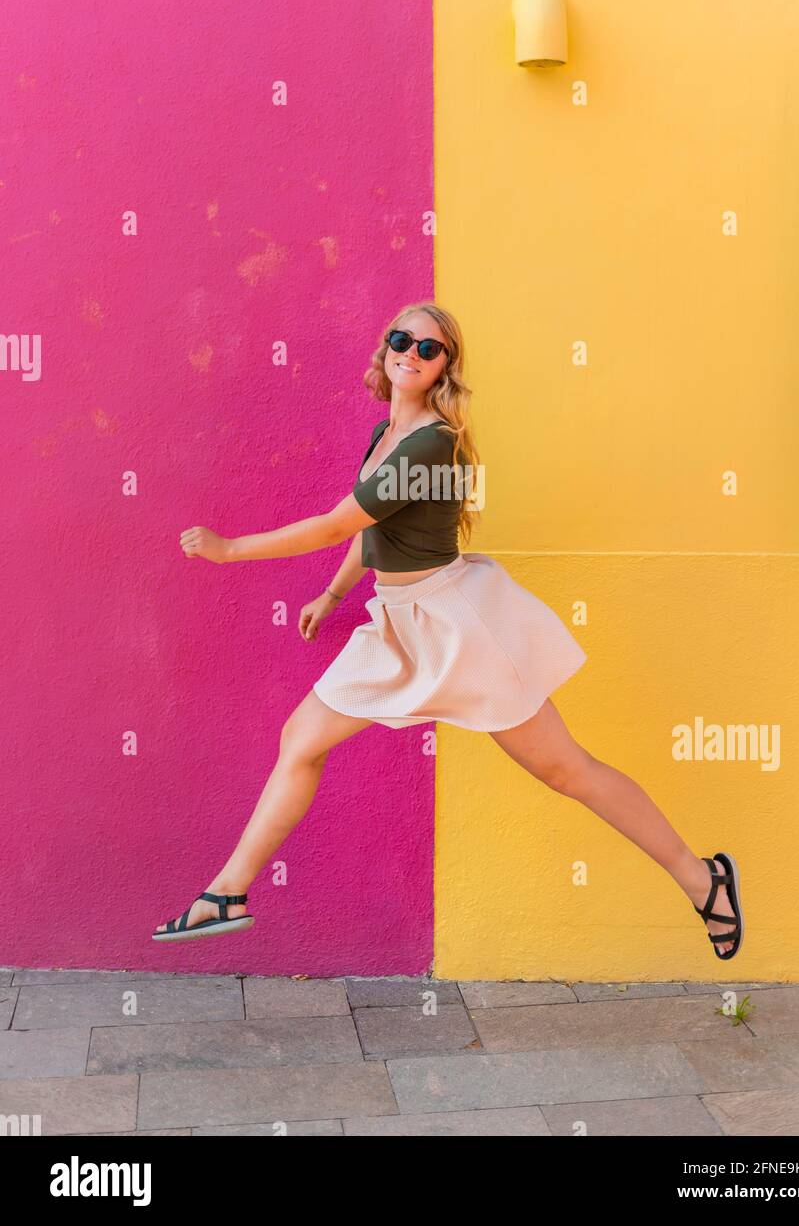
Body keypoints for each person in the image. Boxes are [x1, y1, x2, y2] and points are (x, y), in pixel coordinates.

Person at [153, 303, 743, 959]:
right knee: (302, 738)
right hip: (398, 620)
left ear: (444, 368)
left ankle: (703, 879)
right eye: (400, 339)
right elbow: (371, 528)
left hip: (456, 624)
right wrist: (334, 592)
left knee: (566, 770)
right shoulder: (387, 432)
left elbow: (333, 525)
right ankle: (227, 893)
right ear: (385, 349)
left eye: (428, 348)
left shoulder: (431, 443)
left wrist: (229, 549)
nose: (410, 351)